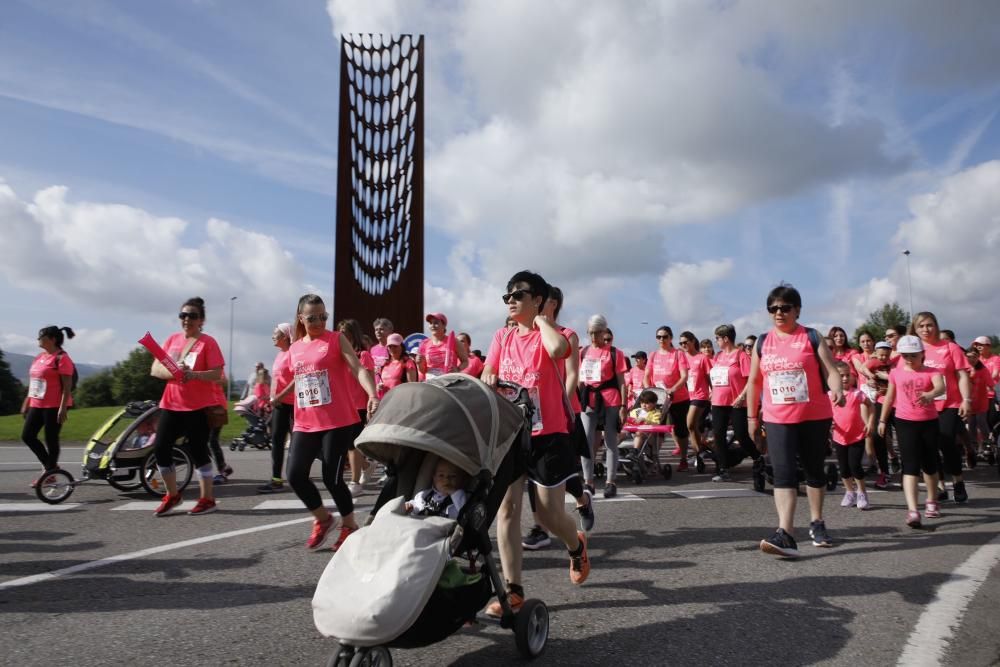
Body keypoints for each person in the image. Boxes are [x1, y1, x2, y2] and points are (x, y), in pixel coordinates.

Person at [482, 270, 590, 616]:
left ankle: (575, 545)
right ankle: (513, 590)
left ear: (539, 300)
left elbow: (558, 351)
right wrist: (489, 379)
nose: (511, 301)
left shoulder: (561, 334)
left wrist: (541, 322)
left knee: (548, 513)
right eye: (507, 296)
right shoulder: (502, 336)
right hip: (512, 434)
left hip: (550, 435)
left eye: (519, 295)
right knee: (507, 509)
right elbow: (489, 371)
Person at [747, 284, 843, 558]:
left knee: (814, 471)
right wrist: (752, 416)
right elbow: (754, 381)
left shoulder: (811, 337)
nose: (779, 312)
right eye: (773, 308)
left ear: (797, 310)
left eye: (785, 307)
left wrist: (837, 388)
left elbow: (831, 371)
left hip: (814, 415)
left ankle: (817, 521)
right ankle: (785, 533)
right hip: (777, 418)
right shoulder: (763, 342)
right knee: (783, 472)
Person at [283, 294, 378, 551]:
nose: (318, 321)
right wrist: (279, 396)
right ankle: (323, 520)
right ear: (301, 318)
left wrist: (371, 393)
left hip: (337, 421)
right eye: (312, 317)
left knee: (332, 478)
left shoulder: (335, 339)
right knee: (294, 475)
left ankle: (349, 525)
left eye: (323, 316)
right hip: (304, 421)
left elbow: (358, 368)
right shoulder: (295, 348)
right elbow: (301, 379)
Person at [523, 285, 596, 550]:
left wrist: (561, 404)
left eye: (541, 300)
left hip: (565, 410)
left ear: (552, 304)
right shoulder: (528, 335)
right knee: (536, 471)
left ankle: (582, 500)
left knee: (562, 471)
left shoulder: (567, 335)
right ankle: (539, 527)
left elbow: (573, 374)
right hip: (534, 415)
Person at [149, 297, 224, 516]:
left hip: (198, 406)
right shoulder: (172, 340)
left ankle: (207, 498)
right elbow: (155, 368)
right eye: (183, 315)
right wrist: (173, 373)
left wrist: (192, 375)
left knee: (198, 451)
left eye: (192, 315)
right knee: (161, 448)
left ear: (201, 320)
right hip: (171, 404)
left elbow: (217, 373)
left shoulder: (207, 342)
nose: (186, 319)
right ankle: (173, 495)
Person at [878, 335, 945, 527]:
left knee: (930, 466)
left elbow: (940, 387)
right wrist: (882, 420)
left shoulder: (932, 371)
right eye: (905, 355)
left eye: (913, 355)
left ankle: (932, 500)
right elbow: (890, 398)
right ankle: (913, 510)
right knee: (910, 466)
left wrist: (930, 394)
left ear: (922, 354)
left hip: (929, 422)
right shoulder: (896, 373)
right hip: (905, 422)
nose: (909, 359)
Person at [911, 311, 972, 503]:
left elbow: (962, 375)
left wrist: (966, 399)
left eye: (929, 325)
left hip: (949, 404)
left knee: (947, 442)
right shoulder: (914, 349)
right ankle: (939, 486)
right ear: (915, 328)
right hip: (925, 406)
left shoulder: (950, 347)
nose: (925, 329)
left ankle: (958, 481)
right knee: (929, 447)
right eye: (921, 326)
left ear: (936, 326)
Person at [21, 325, 76, 487]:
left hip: (54, 405)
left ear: (52, 339)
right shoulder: (39, 357)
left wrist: (63, 407)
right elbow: (34, 383)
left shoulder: (62, 358)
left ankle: (49, 474)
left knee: (51, 439)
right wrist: (27, 402)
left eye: (41, 336)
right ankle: (51, 467)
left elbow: (67, 386)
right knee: (27, 436)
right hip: (37, 403)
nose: (38, 339)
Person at [579, 314, 627, 498]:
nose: (594, 337)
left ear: (604, 331)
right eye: (590, 333)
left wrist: (624, 405)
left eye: (597, 333)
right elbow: (579, 380)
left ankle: (610, 481)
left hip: (610, 399)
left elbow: (622, 381)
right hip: (589, 399)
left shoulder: (614, 353)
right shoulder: (583, 352)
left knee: (610, 441)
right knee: (587, 441)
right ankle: (588, 482)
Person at [709, 324, 758, 481]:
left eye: (717, 338)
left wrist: (742, 396)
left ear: (725, 338)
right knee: (718, 435)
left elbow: (751, 379)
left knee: (741, 435)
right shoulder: (718, 357)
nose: (716, 341)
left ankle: (758, 458)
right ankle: (723, 469)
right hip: (718, 401)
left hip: (737, 402)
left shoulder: (741, 356)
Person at [338, 319, 376, 495]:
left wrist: (372, 398)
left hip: (359, 405)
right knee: (346, 444)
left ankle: (354, 483)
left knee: (353, 444)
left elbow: (369, 378)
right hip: (342, 404)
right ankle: (366, 465)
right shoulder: (340, 355)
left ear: (353, 334)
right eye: (340, 331)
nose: (342, 335)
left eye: (345, 332)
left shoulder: (363, 355)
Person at [644, 326, 692, 468]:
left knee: (680, 430)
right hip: (659, 399)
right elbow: (647, 376)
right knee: (656, 428)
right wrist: (649, 390)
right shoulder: (653, 355)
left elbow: (684, 376)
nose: (661, 340)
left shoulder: (678, 354)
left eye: (665, 337)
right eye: (659, 337)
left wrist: (672, 389)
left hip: (678, 398)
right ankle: (653, 459)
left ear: (671, 338)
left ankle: (683, 458)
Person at [831, 362, 875, 510]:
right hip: (839, 437)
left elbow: (871, 406)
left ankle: (862, 492)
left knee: (855, 466)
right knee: (843, 468)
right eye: (840, 375)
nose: (844, 378)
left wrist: (869, 423)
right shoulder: (830, 395)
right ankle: (850, 492)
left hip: (856, 436)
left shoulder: (857, 393)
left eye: (847, 375)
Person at [259, 323, 295, 493]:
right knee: (277, 442)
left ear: (286, 336)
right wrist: (271, 398)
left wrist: (279, 397)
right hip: (279, 405)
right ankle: (276, 480)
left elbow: (298, 380)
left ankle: (297, 476)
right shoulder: (280, 354)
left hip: (293, 405)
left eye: (276, 333)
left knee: (299, 443)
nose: (273, 336)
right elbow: (276, 380)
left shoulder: (292, 354)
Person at [679, 331, 712, 467]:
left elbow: (710, 378)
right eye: (681, 343)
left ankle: (699, 452)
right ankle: (699, 452)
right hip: (686, 396)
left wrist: (713, 392)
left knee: (690, 423)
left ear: (693, 341)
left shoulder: (702, 358)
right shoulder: (681, 357)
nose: (683, 345)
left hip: (700, 396)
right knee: (693, 428)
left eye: (686, 342)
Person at [404, 459, 469, 520]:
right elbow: (416, 505)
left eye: (452, 476)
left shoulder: (460, 498)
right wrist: (410, 506)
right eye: (441, 475)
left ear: (461, 480)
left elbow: (465, 512)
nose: (446, 479)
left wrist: (455, 493)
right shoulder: (425, 494)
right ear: (434, 478)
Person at [416, 313, 468, 378]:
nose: (433, 326)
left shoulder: (453, 341)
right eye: (430, 323)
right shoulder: (424, 343)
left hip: (449, 381)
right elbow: (423, 371)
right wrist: (419, 363)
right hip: (431, 381)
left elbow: (465, 361)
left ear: (444, 325)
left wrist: (458, 369)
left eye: (436, 323)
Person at [628, 390, 663, 454]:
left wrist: (645, 421)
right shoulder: (635, 411)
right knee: (620, 432)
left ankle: (635, 453)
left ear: (654, 403)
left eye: (647, 403)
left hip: (648, 435)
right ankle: (613, 449)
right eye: (642, 403)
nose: (644, 405)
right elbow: (629, 419)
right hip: (632, 432)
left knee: (639, 433)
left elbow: (657, 424)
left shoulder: (656, 413)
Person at [370, 317, 393, 385]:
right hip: (376, 388)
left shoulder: (395, 348)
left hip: (390, 388)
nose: (378, 332)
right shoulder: (372, 349)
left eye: (381, 329)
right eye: (376, 330)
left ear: (390, 331)